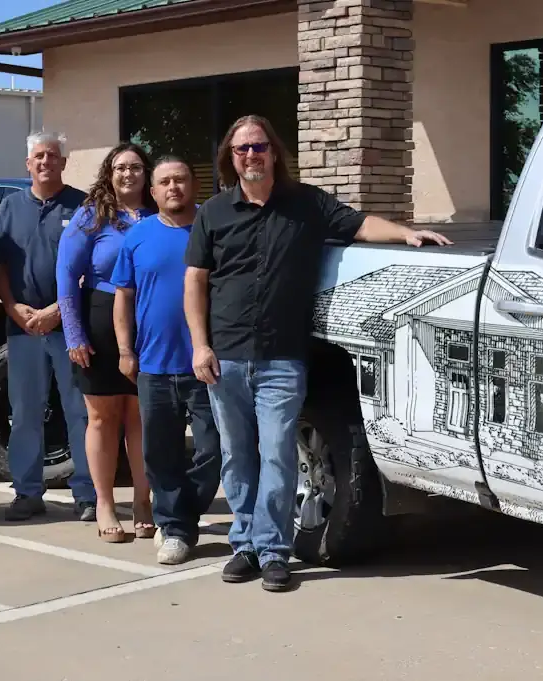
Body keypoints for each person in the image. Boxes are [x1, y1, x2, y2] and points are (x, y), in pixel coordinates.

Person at [184, 115, 452, 591]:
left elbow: (359, 224)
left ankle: (272, 551)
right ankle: (244, 545)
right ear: (231, 156)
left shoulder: (306, 204)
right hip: (224, 356)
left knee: (279, 457)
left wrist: (407, 234)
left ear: (274, 152)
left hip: (283, 358)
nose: (251, 156)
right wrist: (200, 344)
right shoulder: (214, 212)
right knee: (237, 456)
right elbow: (196, 280)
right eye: (242, 149)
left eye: (259, 147)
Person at [111, 156, 221, 564]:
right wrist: (125, 349)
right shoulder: (138, 237)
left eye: (180, 179)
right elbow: (123, 297)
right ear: (152, 191)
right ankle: (175, 528)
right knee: (160, 453)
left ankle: (180, 519)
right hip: (153, 367)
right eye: (164, 182)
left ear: (193, 185)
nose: (173, 187)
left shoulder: (211, 232)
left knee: (215, 449)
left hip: (206, 365)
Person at [0, 131, 96, 522]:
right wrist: (15, 309)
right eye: (39, 156)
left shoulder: (83, 205)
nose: (46, 162)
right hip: (22, 329)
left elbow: (91, 267)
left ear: (64, 162)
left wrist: (56, 310)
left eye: (53, 155)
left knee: (78, 412)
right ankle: (27, 493)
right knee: (26, 412)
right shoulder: (11, 207)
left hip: (69, 328)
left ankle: (87, 494)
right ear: (28, 164)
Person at [57, 143, 157, 543]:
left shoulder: (160, 213)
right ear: (109, 173)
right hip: (99, 321)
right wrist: (74, 333)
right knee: (102, 418)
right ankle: (104, 503)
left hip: (149, 326)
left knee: (142, 417)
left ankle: (143, 501)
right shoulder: (91, 215)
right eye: (120, 168)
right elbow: (66, 275)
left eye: (135, 167)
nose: (128, 174)